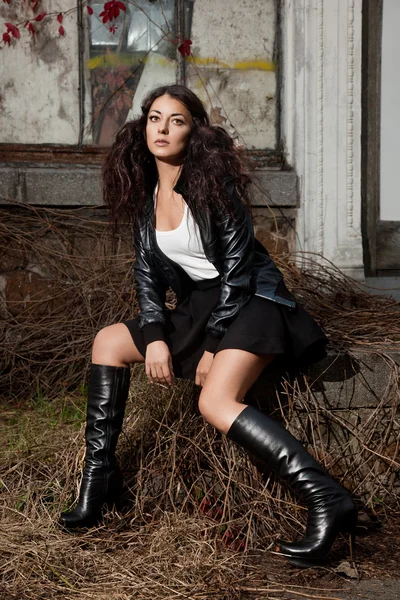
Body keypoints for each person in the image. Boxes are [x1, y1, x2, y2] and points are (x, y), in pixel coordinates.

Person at [60, 84, 357, 568]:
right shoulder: (145, 195)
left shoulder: (213, 186)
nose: (162, 128)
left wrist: (214, 345)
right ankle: (100, 481)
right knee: (108, 341)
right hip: (201, 305)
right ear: (143, 126)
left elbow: (238, 272)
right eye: (155, 118)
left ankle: (327, 499)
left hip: (251, 301)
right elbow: (146, 277)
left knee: (214, 402)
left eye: (176, 120)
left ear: (193, 131)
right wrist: (155, 336)